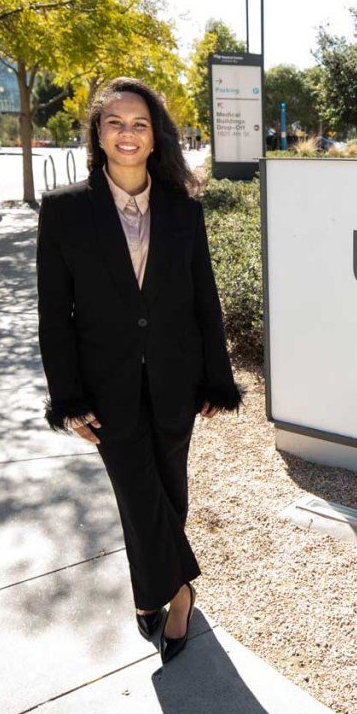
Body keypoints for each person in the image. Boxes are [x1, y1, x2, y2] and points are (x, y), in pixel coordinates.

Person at [35, 76, 242, 664]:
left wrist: (216, 379)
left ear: (156, 139)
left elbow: (205, 299)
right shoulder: (65, 211)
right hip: (106, 387)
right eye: (114, 123)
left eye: (140, 125)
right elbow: (56, 313)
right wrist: (67, 397)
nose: (127, 134)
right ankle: (177, 595)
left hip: (177, 379)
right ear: (97, 135)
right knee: (136, 490)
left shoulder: (183, 209)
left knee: (167, 490)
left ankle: (152, 591)